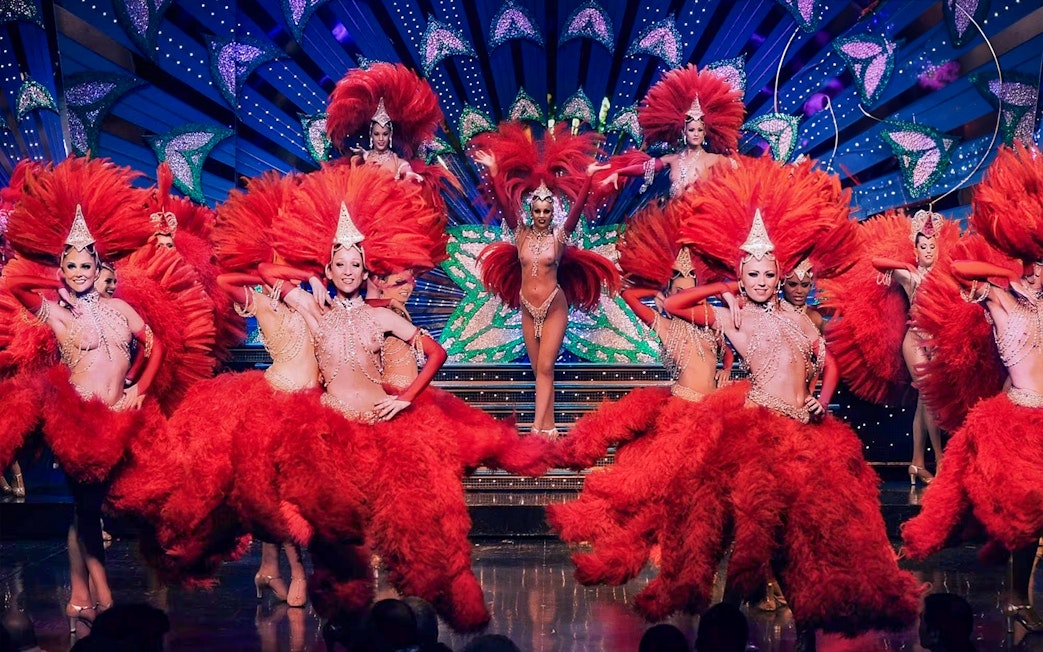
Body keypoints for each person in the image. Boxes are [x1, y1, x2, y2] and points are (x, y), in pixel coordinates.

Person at [633, 156, 919, 647]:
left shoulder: (799, 317)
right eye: (753, 274)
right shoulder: (734, 317)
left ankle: (804, 629)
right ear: (743, 276)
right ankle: (720, 628)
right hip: (762, 431)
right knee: (752, 534)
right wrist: (725, 286)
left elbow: (826, 363)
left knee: (802, 537)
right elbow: (673, 305)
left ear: (778, 273)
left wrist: (821, 403)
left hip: (807, 432)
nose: (762, 281)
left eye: (769, 273)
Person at [1, 157, 165, 634]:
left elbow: (157, 344)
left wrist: (140, 387)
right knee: (89, 507)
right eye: (69, 264)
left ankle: (79, 592)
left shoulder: (121, 306)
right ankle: (101, 594)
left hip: (121, 416)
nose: (77, 270)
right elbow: (13, 281)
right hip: (77, 421)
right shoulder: (56, 314)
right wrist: (56, 283)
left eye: (84, 263)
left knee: (91, 509)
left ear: (99, 265)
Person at [547, 201, 736, 586]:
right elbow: (632, 298)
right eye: (679, 276)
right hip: (682, 413)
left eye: (692, 276)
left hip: (715, 413)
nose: (687, 281)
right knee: (672, 489)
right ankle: (672, 557)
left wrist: (727, 377)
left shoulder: (717, 323)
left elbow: (729, 358)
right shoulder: (665, 325)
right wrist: (660, 290)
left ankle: (707, 560)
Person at [902, 144, 1043, 634]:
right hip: (1018, 421)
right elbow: (961, 271)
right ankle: (1015, 598)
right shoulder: (1001, 301)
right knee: (1026, 516)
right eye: (1035, 258)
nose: (1042, 268)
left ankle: (1019, 597)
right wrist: (1010, 272)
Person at [472, 123, 620, 437]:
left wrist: (590, 178)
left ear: (552, 213)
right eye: (537, 211)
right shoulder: (521, 235)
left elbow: (577, 211)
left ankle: (536, 429)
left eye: (546, 211)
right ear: (531, 211)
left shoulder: (559, 238)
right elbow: (503, 204)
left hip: (554, 306)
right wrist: (495, 171)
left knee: (545, 368)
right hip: (527, 307)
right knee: (538, 368)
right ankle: (551, 428)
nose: (541, 215)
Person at [870, 210, 949, 485]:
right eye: (923, 246)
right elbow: (876, 262)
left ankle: (916, 463)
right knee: (930, 400)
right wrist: (905, 265)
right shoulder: (910, 276)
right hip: (914, 341)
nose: (928, 251)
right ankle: (939, 460)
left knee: (923, 404)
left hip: (935, 342)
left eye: (932, 246)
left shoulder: (945, 275)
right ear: (915, 249)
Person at [601, 64, 744, 198]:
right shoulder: (673, 159)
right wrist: (618, 172)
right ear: (684, 133)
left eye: (700, 130)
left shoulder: (713, 159)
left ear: (705, 133)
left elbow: (743, 175)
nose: (696, 133)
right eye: (692, 130)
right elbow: (643, 168)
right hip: (671, 219)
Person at [326, 63, 442, 185]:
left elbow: (404, 166)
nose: (381, 138)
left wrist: (408, 174)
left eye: (384, 134)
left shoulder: (394, 158)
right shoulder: (367, 157)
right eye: (377, 134)